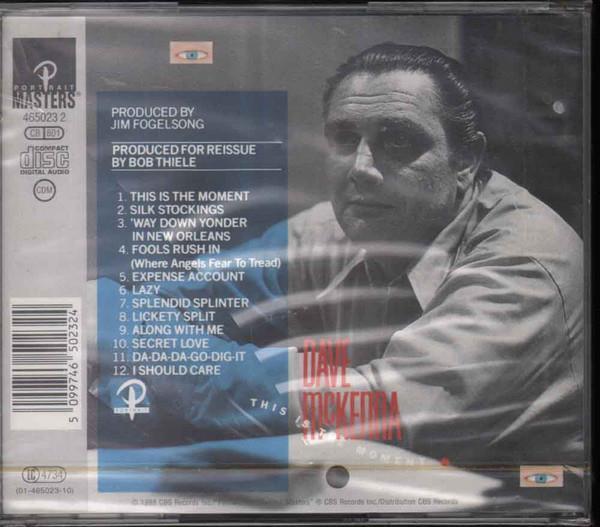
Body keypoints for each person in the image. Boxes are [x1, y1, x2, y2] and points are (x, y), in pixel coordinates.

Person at [92, 43, 583, 470]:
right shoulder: (333, 227)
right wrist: (124, 335)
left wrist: (140, 340)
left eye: (398, 141)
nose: (361, 168)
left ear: (466, 160)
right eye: (345, 139)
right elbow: (169, 302)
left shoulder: (526, 262)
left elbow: (373, 413)